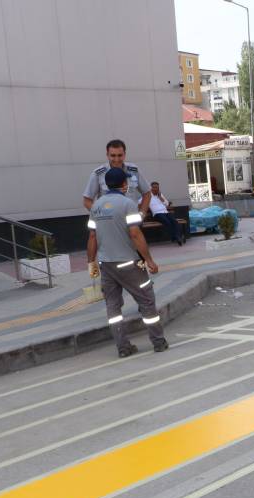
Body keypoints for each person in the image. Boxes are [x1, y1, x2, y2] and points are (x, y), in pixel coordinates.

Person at [87, 168, 168, 356]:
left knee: (113, 308)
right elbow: (134, 233)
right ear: (124, 184)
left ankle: (123, 347)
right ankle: (158, 342)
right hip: (129, 264)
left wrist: (91, 263)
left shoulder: (96, 206)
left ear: (106, 185)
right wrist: (149, 260)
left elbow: (92, 237)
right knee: (147, 301)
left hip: (106, 265)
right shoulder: (127, 204)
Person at [83, 139, 151, 214]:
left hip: (133, 219)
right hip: (110, 222)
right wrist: (100, 216)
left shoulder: (134, 170)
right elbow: (87, 200)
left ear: (124, 154)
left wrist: (142, 214)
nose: (116, 159)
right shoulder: (98, 173)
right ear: (107, 155)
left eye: (120, 155)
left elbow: (147, 193)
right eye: (113, 155)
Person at [148, 182, 184, 246]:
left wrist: (160, 198)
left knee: (175, 221)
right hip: (157, 214)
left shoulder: (160, 195)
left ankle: (176, 237)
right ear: (151, 188)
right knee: (167, 222)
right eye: (155, 187)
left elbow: (167, 204)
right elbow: (140, 203)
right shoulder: (148, 196)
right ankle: (177, 237)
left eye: (157, 187)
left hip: (165, 212)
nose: (156, 189)